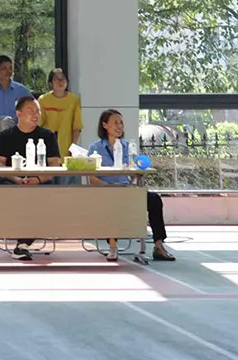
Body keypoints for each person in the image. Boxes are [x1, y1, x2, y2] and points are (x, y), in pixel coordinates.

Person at [88, 109, 175, 263]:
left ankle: (158, 246)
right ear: (105, 125)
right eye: (115, 123)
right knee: (111, 202)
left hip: (127, 189)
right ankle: (113, 246)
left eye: (121, 122)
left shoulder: (129, 147)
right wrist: (109, 187)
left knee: (154, 199)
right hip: (106, 191)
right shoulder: (95, 148)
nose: (119, 126)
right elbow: (92, 178)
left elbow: (136, 172)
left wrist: (134, 176)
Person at [0, 96, 62, 261]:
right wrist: (16, 178)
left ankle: (23, 244)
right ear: (19, 113)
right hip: (13, 182)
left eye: (38, 111)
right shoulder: (6, 135)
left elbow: (55, 164)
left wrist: (37, 179)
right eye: (31, 111)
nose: (35, 115)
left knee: (47, 194)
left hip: (39, 182)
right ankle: (19, 241)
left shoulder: (47, 136)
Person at [0, 55, 33, 163]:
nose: (9, 71)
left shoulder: (22, 90)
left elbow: (34, 109)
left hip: (18, 137)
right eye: (4, 68)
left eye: (10, 68)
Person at [39, 68, 83, 150]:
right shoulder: (43, 100)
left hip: (66, 145)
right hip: (47, 143)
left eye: (63, 79)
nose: (60, 82)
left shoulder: (74, 100)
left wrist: (73, 148)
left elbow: (76, 127)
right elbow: (38, 124)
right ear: (50, 83)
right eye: (56, 79)